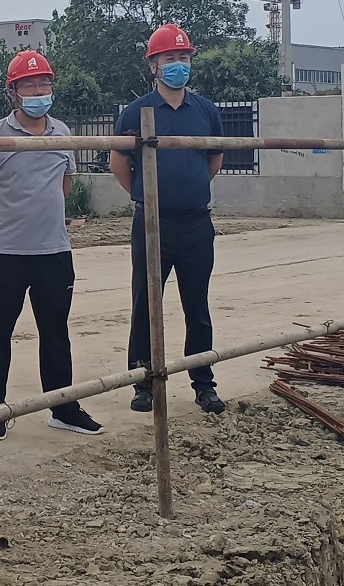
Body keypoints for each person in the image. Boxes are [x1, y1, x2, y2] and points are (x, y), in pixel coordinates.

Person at [0, 51, 103, 440]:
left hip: (54, 251)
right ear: (13, 91)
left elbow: (65, 184)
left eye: (44, 83)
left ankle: (63, 407)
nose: (39, 91)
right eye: (29, 85)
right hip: (8, 253)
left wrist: (44, 218)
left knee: (55, 331)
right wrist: (5, 223)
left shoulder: (62, 133)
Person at [111, 24, 226, 416]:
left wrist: (187, 189)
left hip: (196, 225)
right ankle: (143, 382)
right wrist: (146, 196)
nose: (178, 64)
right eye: (169, 58)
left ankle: (203, 383)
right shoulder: (135, 112)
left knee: (198, 307)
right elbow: (119, 164)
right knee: (146, 303)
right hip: (151, 225)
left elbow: (213, 161)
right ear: (154, 65)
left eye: (183, 57)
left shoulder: (206, 111)